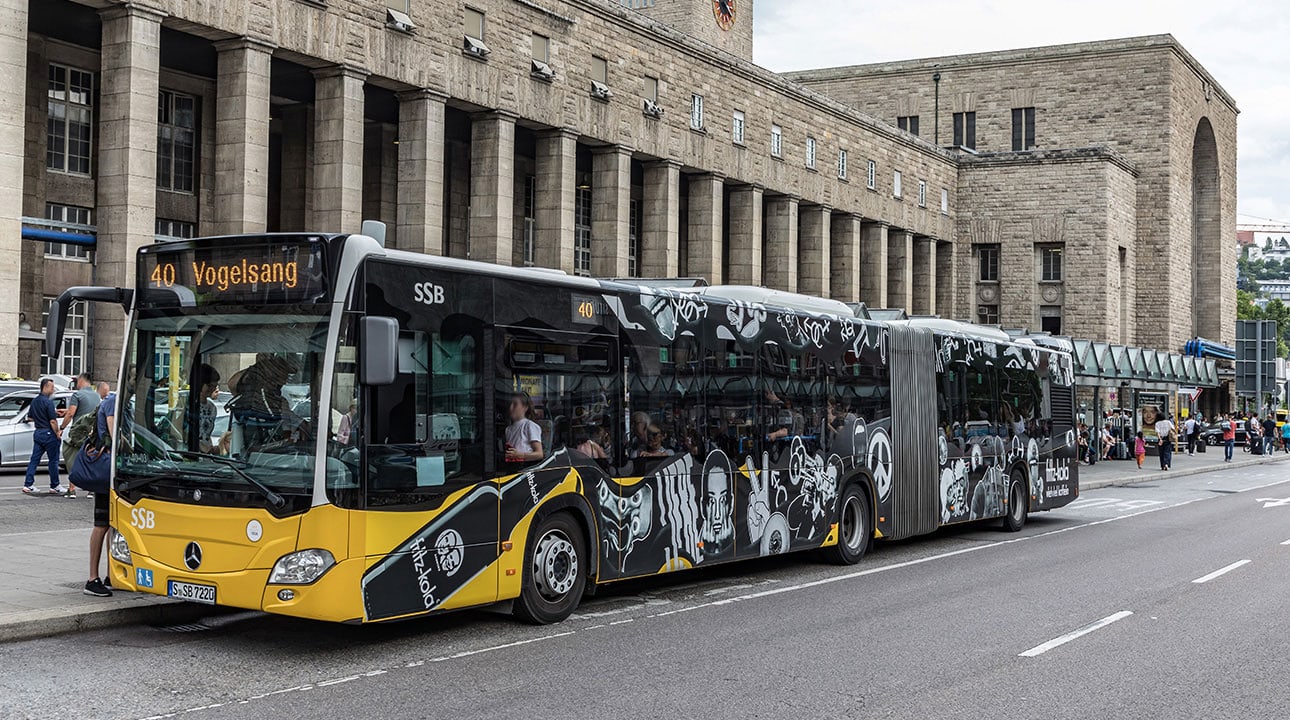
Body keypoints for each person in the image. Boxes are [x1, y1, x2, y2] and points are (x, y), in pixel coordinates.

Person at [84, 387, 116, 598]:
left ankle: (109, 575)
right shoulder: (114, 402)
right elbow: (115, 435)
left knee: (111, 524)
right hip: (107, 470)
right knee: (102, 523)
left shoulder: (113, 400)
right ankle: (92, 579)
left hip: (110, 470)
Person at [60, 373, 100, 497]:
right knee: (90, 460)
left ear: (82, 381)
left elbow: (72, 413)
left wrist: (61, 428)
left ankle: (72, 489)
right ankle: (91, 490)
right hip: (92, 433)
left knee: (72, 459)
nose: (77, 384)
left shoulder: (77, 395)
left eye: (77, 381)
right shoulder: (97, 396)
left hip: (78, 433)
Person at [22, 378, 64, 495]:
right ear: (45, 387)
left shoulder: (35, 401)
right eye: (51, 387)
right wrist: (57, 433)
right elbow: (53, 421)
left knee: (34, 460)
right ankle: (55, 485)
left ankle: (28, 484)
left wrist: (41, 417)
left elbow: (30, 417)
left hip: (38, 432)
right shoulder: (48, 402)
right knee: (53, 461)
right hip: (49, 434)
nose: (53, 389)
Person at [504, 392, 544, 463]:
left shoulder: (529, 426)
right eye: (510, 404)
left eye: (515, 404)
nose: (511, 407)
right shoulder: (508, 429)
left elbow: (539, 454)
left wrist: (520, 455)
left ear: (525, 408)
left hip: (526, 468)